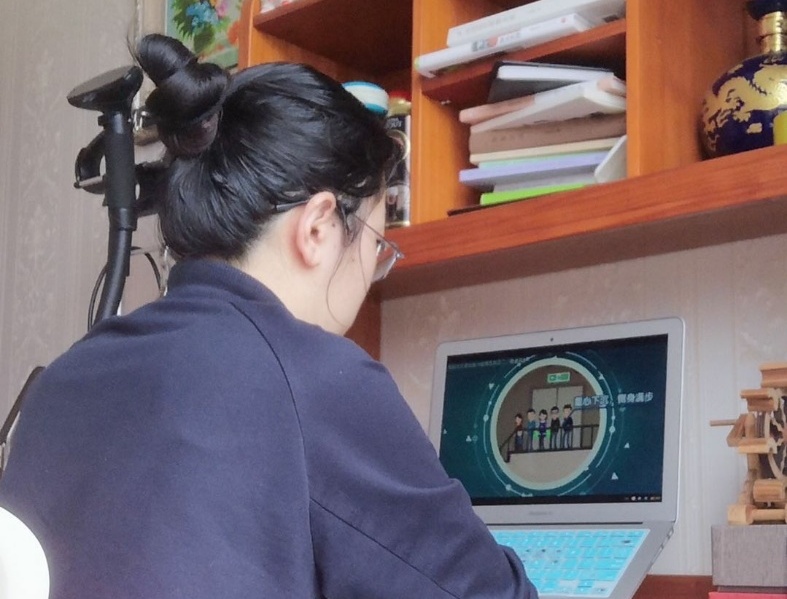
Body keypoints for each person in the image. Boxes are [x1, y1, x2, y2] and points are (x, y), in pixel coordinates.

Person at [0, 34, 537, 599]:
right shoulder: (316, 379)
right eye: (377, 245)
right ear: (319, 227)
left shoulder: (65, 378)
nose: (372, 272)